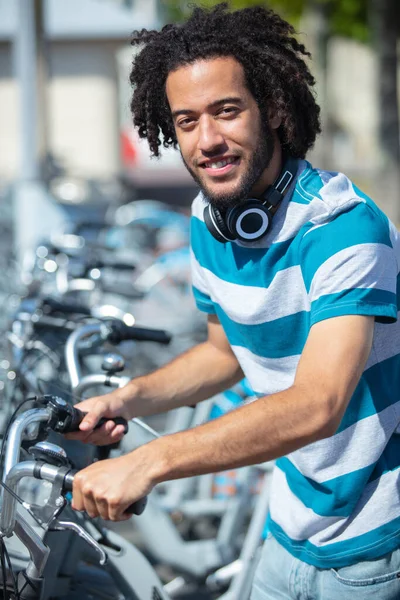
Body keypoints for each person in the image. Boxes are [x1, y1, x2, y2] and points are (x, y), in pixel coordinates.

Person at [66, 3, 400, 598]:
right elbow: (225, 354)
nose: (208, 140)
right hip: (290, 524)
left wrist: (150, 461)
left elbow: (318, 404)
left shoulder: (344, 230)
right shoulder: (208, 220)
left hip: (374, 545)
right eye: (187, 121)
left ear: (271, 108)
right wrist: (128, 399)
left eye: (226, 111)